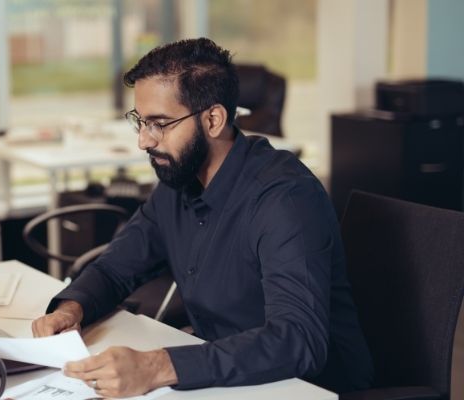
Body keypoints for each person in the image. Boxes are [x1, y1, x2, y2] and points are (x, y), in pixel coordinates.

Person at [31, 38, 373, 398]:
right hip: (227, 382)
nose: (144, 142)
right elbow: (116, 267)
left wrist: (156, 366)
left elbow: (297, 340)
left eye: (159, 123)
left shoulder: (285, 199)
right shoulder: (178, 183)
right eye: (141, 122)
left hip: (308, 388)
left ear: (213, 119)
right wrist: (72, 309)